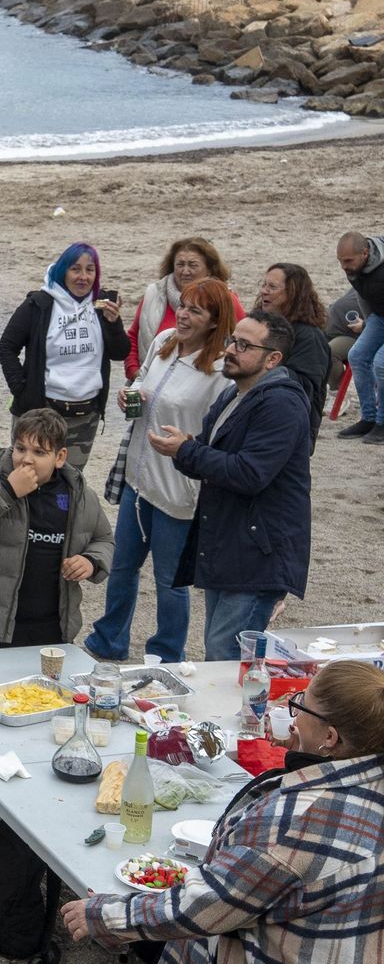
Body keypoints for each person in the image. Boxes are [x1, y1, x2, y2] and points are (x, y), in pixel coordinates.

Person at [62, 659, 384, 964]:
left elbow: (208, 906)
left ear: (330, 738)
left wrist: (105, 916)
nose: (292, 716)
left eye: (301, 705)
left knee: (155, 921)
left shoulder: (297, 820)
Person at [85, 279, 235, 664]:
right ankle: (109, 640)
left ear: (215, 321)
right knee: (122, 567)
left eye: (196, 310)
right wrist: (129, 394)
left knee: (170, 581)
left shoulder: (220, 370)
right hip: (138, 477)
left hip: (178, 488)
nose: (183, 314)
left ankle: (167, 654)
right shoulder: (164, 340)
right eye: (183, 305)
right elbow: (142, 382)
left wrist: (191, 445)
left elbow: (221, 430)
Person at [147, 310, 311, 660]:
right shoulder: (234, 394)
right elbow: (210, 457)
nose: (230, 350)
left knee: (226, 657)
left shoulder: (281, 403)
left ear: (273, 359)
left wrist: (188, 451)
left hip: (258, 556)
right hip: (231, 546)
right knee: (219, 650)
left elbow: (250, 474)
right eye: (231, 340)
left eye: (244, 345)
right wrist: (185, 449)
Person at [0, 408, 113, 650]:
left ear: (60, 457)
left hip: (53, 625)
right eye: (21, 448)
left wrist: (91, 561)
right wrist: (7, 491)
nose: (27, 459)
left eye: (40, 452)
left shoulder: (80, 496)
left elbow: (104, 539)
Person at [0, 242, 130, 470]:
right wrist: (22, 390)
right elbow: (6, 347)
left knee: (69, 485)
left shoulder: (101, 305)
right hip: (42, 411)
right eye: (75, 269)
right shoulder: (39, 304)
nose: (83, 277)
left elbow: (120, 353)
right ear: (62, 271)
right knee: (30, 481)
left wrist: (113, 324)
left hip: (85, 415)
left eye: (90, 270)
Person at [125, 237, 241, 382]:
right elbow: (133, 337)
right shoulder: (154, 294)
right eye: (180, 264)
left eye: (193, 265)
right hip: (145, 382)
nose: (185, 271)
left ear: (210, 268)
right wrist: (135, 374)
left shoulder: (225, 299)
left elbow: (243, 343)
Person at [255, 262, 328, 443]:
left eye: (272, 287)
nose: (264, 291)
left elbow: (306, 387)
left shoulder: (309, 337)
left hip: (288, 428)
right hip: (258, 414)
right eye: (264, 285)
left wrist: (259, 367)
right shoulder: (262, 326)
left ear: (293, 294)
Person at [334, 231, 384, 441]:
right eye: (341, 261)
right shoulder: (356, 267)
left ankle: (382, 422)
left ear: (365, 253)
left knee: (381, 364)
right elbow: (363, 297)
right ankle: (369, 418)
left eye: (348, 261)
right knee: (357, 356)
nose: (344, 266)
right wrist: (366, 323)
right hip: (379, 317)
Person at [325, 290, 363, 392]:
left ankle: (334, 391)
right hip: (331, 324)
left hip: (354, 335)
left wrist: (364, 325)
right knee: (306, 340)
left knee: (331, 352)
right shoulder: (371, 277)